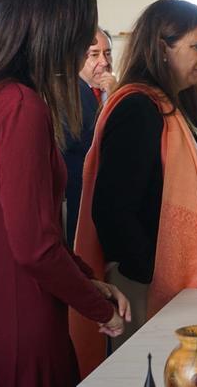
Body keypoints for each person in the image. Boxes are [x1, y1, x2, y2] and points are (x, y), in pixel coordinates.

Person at [0, 0, 130, 386]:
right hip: (19, 321)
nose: (84, 48)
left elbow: (24, 232)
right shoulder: (19, 106)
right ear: (53, 32)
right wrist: (100, 309)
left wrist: (86, 280)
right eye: (81, 34)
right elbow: (33, 246)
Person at [71, 0, 197, 374]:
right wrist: (150, 272)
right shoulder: (138, 107)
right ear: (162, 48)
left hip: (162, 278)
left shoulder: (171, 103)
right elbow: (111, 208)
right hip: (146, 284)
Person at [62, 28, 114, 244]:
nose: (103, 61)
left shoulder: (114, 90)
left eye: (108, 52)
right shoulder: (68, 96)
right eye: (94, 54)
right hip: (80, 201)